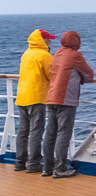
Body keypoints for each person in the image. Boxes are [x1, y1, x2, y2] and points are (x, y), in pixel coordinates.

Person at [43, 31, 95, 178]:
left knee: (50, 134)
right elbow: (89, 73)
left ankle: (47, 167)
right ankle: (60, 168)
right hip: (65, 99)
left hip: (51, 97)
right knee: (63, 134)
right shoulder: (74, 55)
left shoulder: (57, 53)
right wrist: (82, 78)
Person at [14, 29, 56, 173]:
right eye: (48, 39)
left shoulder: (26, 54)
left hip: (22, 96)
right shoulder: (44, 55)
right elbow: (52, 76)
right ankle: (33, 163)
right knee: (36, 131)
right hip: (36, 96)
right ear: (43, 40)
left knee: (23, 131)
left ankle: (20, 162)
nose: (50, 41)